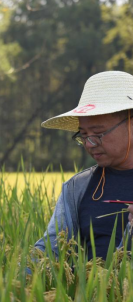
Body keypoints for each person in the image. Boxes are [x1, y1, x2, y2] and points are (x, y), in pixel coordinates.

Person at [35, 71, 133, 260]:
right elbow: (51, 248)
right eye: (84, 135)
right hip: (89, 288)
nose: (89, 144)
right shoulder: (77, 187)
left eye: (98, 133)